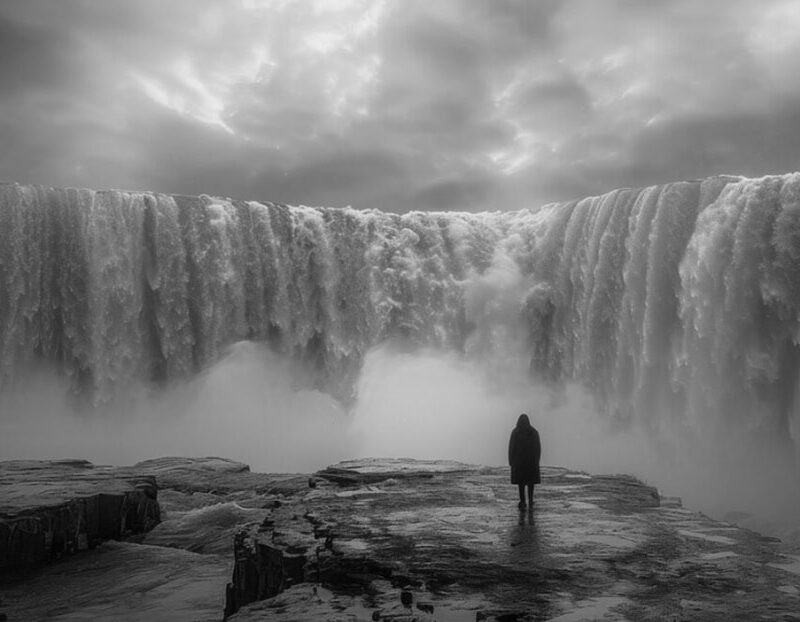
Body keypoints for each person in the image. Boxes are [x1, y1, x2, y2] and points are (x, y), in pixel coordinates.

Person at [508, 413, 541, 510]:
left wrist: (511, 460)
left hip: (519, 463)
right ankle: (530, 500)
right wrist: (537, 460)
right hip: (531, 463)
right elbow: (538, 448)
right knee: (531, 483)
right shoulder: (534, 432)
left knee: (521, 484)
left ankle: (522, 501)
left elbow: (511, 448)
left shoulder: (516, 432)